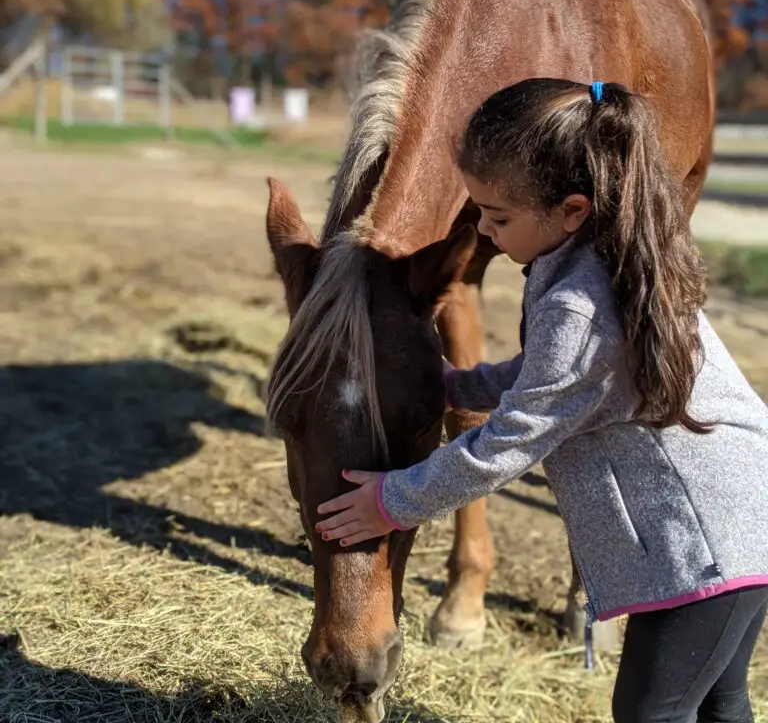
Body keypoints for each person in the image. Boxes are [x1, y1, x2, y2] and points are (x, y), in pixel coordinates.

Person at [316, 78, 768, 723]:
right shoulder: (604, 262)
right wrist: (451, 385)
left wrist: (394, 501)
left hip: (705, 540)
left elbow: (512, 441)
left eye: (498, 217)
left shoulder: (576, 304)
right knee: (721, 703)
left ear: (573, 210)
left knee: (652, 713)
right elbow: (554, 375)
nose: (484, 231)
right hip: (737, 519)